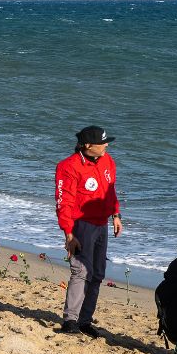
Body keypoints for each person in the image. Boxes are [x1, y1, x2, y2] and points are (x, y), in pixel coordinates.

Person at [56, 125, 121, 337]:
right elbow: (64, 203)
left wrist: (116, 214)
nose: (106, 145)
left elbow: (110, 191)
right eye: (102, 143)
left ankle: (85, 320)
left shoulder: (108, 161)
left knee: (98, 273)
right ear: (87, 145)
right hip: (81, 225)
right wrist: (69, 233)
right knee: (81, 271)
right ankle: (70, 320)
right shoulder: (68, 166)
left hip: (102, 224)